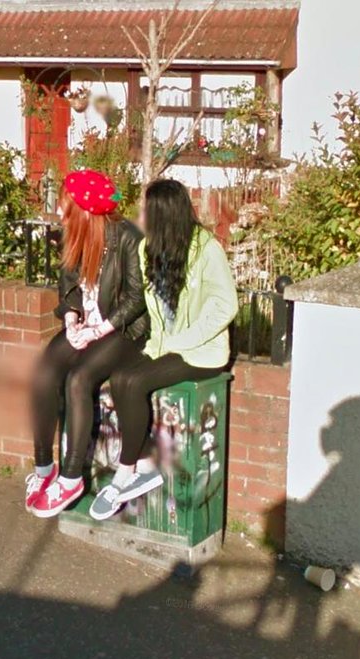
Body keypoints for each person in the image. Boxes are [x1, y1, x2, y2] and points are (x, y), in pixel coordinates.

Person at [89, 179, 238, 521]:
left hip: (202, 352)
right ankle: (142, 463)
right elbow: (156, 312)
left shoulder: (206, 249)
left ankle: (126, 474)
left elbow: (224, 305)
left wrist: (182, 341)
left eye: (146, 208)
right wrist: (158, 345)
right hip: (165, 345)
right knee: (120, 377)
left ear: (162, 213)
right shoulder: (148, 250)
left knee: (135, 382)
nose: (140, 213)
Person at [27, 170, 149, 518]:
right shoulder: (75, 235)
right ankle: (43, 470)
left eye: (66, 206)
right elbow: (68, 287)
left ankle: (71, 478)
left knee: (79, 379)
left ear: (84, 210)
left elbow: (137, 298)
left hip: (123, 329)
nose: (61, 213)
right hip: (89, 323)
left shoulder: (128, 238)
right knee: (45, 373)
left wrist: (98, 330)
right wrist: (71, 318)